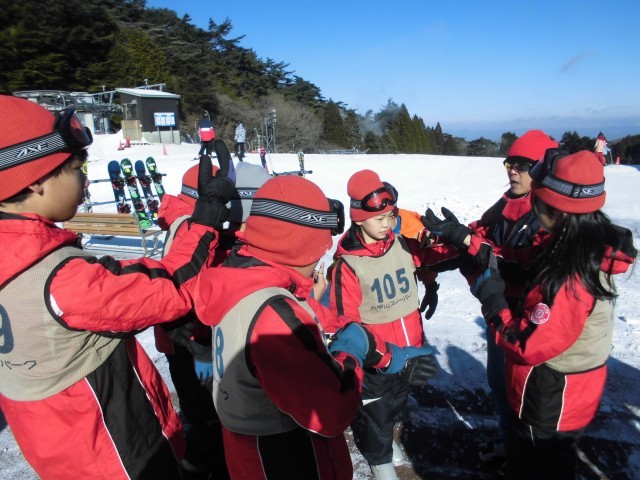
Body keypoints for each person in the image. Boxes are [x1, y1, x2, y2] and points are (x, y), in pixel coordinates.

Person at [0, 96, 234, 479]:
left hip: (56, 447)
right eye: (76, 168)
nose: (84, 180)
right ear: (36, 179)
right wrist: (206, 217)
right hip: (121, 453)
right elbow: (172, 286)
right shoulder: (61, 280)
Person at [192, 175, 433, 479]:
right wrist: (350, 355)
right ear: (299, 245)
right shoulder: (276, 316)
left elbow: (333, 323)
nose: (321, 258)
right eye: (319, 249)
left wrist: (389, 356)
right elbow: (333, 409)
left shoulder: (245, 277)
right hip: (285, 458)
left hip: (249, 451)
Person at [462, 149, 636, 479]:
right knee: (551, 463)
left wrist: (492, 299)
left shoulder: (569, 275)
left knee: (537, 465)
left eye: (538, 204)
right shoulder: (579, 244)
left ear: (557, 209)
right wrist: (470, 244)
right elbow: (522, 260)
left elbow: (527, 343)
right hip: (570, 394)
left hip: (549, 400)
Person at [424, 129, 559, 467]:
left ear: (544, 169)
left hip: (529, 319)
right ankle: (510, 445)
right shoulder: (506, 204)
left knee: (526, 395)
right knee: (500, 385)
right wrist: (436, 250)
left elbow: (518, 260)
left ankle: (527, 459)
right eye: (509, 163)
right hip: (497, 311)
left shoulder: (551, 212)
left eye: (523, 165)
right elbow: (481, 233)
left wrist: (466, 241)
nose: (513, 171)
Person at [329, 170, 455, 479]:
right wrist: (367, 354)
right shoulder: (349, 263)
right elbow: (345, 321)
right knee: (376, 410)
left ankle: (387, 438)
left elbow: (435, 257)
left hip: (409, 346)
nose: (387, 223)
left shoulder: (401, 244)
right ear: (359, 220)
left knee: (398, 400)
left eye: (390, 216)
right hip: (378, 355)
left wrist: (454, 238)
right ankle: (379, 456)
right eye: (379, 218)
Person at [154, 140, 239, 479]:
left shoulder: (182, 219)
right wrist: (200, 345)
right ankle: (205, 468)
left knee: (201, 412)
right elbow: (182, 290)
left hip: (184, 341)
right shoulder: (189, 228)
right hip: (189, 342)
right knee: (207, 418)